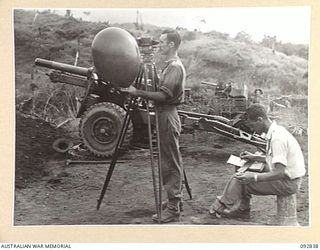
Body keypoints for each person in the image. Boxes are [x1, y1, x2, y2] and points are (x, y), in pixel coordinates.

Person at [120, 29, 186, 223]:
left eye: (163, 42)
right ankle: (174, 201)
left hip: (167, 114)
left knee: (170, 163)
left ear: (172, 45)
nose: (159, 45)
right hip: (163, 114)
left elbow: (163, 96)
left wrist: (137, 91)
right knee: (168, 160)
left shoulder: (174, 67)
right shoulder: (168, 66)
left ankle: (173, 207)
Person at [209, 104, 306, 219]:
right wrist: (254, 157)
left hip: (289, 183)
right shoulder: (276, 131)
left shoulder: (277, 138)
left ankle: (217, 209)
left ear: (260, 120)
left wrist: (254, 177)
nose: (252, 129)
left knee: (239, 179)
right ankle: (242, 208)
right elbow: (274, 158)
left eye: (252, 125)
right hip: (286, 177)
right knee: (241, 170)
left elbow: (280, 172)